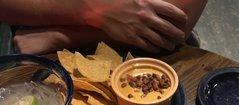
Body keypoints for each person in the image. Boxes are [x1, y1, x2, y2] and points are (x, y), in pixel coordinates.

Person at [0, 0, 207, 54]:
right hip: (36, 50)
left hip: (154, 53)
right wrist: (94, 8)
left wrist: (64, 35)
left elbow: (173, 23)